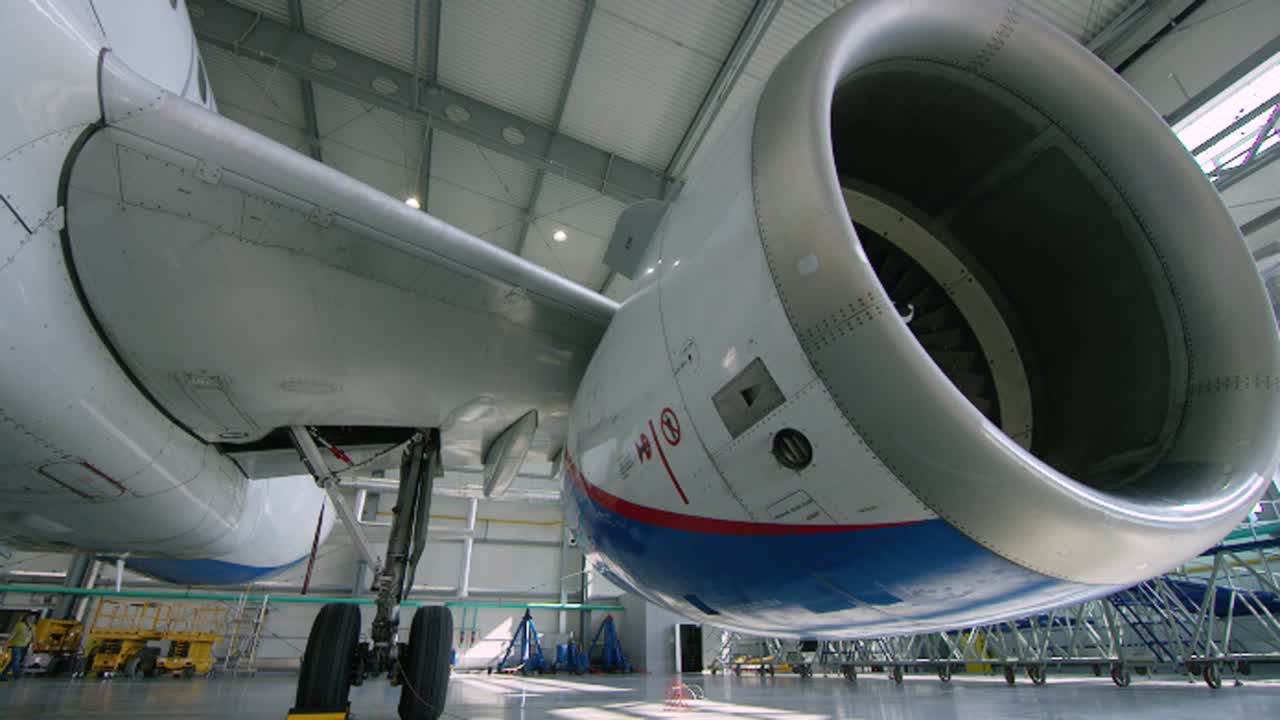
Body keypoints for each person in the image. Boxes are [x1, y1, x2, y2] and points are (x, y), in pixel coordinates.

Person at [0, 612, 37, 681]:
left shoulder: (33, 626)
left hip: (25, 646)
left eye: (33, 618)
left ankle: (2, 675)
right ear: (26, 618)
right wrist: (6, 643)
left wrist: (35, 643)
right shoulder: (20, 625)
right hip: (16, 646)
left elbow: (34, 636)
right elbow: (12, 635)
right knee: (16, 661)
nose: (32, 619)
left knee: (13, 662)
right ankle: (17, 675)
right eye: (30, 618)